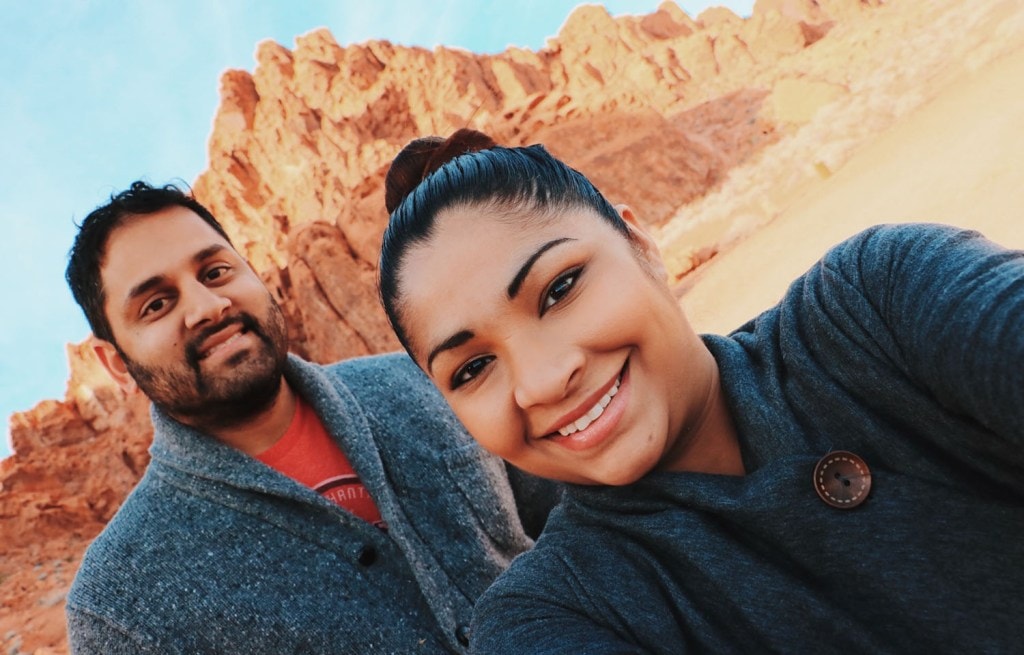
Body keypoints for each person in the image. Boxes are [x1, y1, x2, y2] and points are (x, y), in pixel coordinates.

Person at [377, 128, 1024, 654]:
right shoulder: (546, 616)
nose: (544, 380)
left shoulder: (872, 308)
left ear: (639, 243)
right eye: (471, 369)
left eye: (560, 289)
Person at [62, 181, 557, 654]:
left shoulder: (421, 383)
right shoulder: (121, 602)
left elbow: (576, 512)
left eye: (215, 272)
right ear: (115, 364)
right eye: (157, 304)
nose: (208, 307)